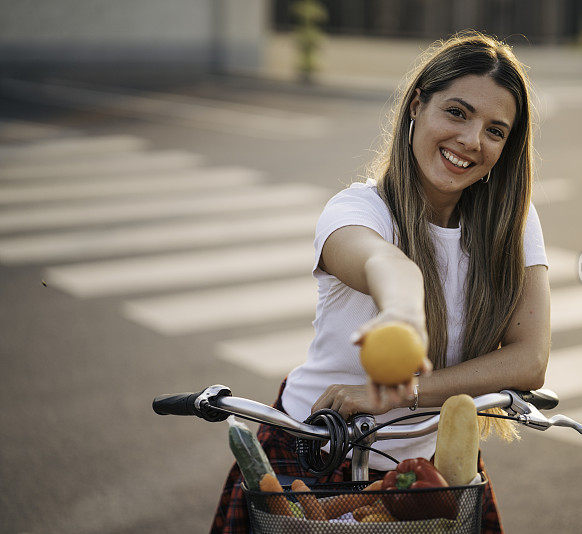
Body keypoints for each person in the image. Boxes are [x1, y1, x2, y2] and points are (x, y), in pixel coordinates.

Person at [211, 30, 550, 534]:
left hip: (433, 472)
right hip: (314, 454)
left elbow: (529, 361)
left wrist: (403, 392)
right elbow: (386, 264)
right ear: (417, 105)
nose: (472, 141)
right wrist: (401, 317)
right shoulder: (358, 209)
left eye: (495, 130)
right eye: (456, 112)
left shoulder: (513, 224)